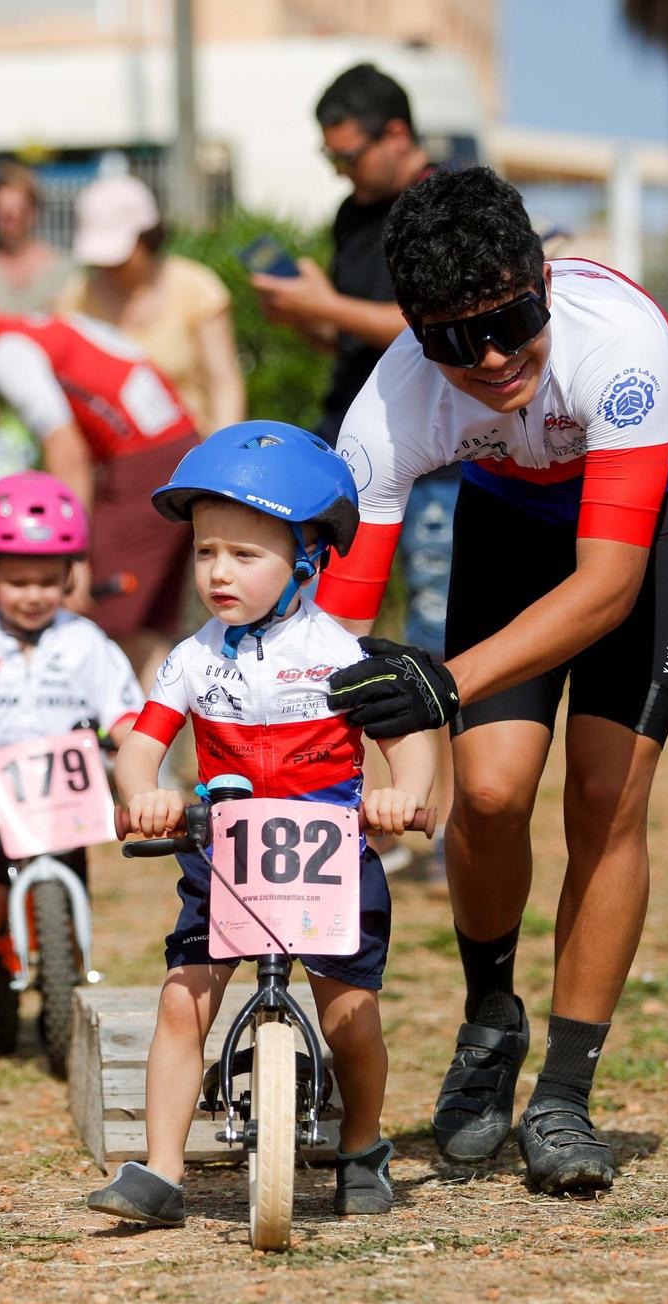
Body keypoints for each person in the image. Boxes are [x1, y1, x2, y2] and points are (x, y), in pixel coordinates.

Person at [314, 167, 668, 1197]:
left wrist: (441, 685)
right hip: (514, 508)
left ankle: (563, 1094)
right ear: (412, 333)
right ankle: (490, 1016)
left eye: (509, 322)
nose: (491, 358)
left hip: (649, 513)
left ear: (540, 281)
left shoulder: (614, 342)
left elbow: (606, 589)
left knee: (602, 793)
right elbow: (334, 626)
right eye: (454, 340)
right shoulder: (390, 405)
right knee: (488, 792)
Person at [86, 423, 435, 1227]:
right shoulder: (190, 658)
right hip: (224, 847)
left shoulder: (342, 654)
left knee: (349, 1012)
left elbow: (406, 741)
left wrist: (401, 791)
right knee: (182, 1001)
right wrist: (146, 790)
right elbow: (141, 746)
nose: (218, 571)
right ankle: (163, 1168)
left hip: (331, 852)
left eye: (245, 554)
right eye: (207, 551)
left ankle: (362, 1142)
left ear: (307, 558)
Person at [252, 62, 454, 823]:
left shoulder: (443, 203)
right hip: (351, 449)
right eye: (330, 158)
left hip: (439, 453)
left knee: (436, 629)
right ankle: (334, 802)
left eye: (348, 154)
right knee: (328, 629)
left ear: (395, 135)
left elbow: (431, 324)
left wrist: (327, 302)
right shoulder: (350, 216)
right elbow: (350, 339)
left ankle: (439, 818)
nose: (341, 169)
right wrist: (303, 314)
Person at [0, 473, 143, 1074]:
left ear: (70, 576)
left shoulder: (85, 642)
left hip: (61, 803)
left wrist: (127, 731)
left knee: (66, 907)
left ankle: (68, 993)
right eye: (17, 581)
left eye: (48, 580)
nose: (33, 594)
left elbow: (122, 703)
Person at [0, 274, 199, 682]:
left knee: (95, 614)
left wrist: (73, 554)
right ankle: (152, 737)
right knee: (143, 627)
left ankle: (111, 737)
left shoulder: (5, 350)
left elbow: (67, 450)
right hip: (176, 445)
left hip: (142, 461)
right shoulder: (43, 325)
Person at [56, 174, 244, 434]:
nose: (109, 266)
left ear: (148, 237)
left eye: (119, 257)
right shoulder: (77, 298)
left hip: (190, 457)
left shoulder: (196, 288)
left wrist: (223, 452)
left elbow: (223, 383)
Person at [0, 161, 72, 315]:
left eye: (19, 213)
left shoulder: (64, 271)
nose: (11, 224)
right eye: (3, 215)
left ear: (33, 212)